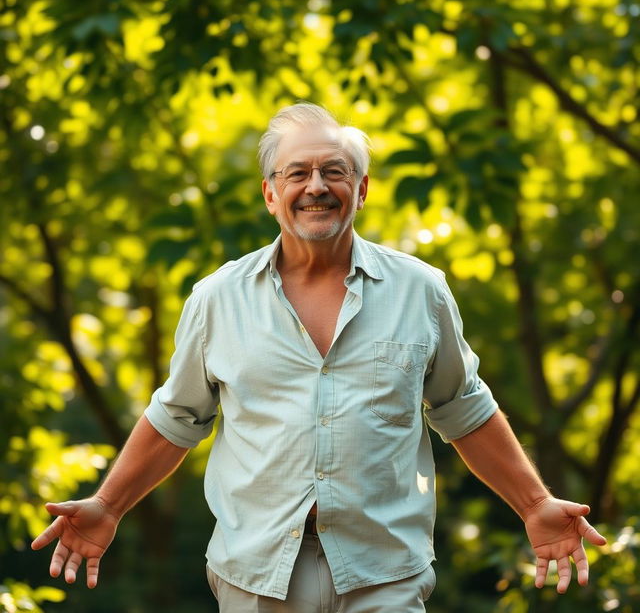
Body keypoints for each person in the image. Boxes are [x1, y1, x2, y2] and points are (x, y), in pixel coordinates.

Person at [32, 103, 606, 612]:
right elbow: (177, 418)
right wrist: (109, 504)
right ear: (270, 193)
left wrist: (535, 504)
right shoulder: (217, 299)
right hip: (257, 574)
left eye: (335, 172)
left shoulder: (421, 290)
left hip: (385, 571)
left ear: (361, 190)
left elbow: (464, 408)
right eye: (297, 172)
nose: (316, 186)